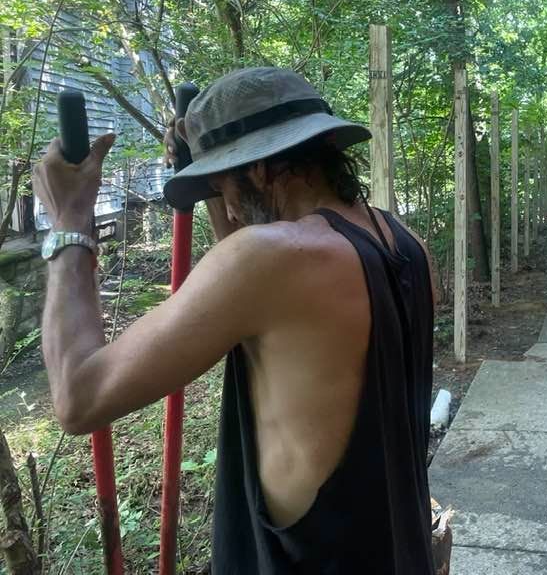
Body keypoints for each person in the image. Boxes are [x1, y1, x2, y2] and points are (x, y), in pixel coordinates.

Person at [33, 67, 437, 574]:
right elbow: (261, 294)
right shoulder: (403, 243)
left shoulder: (271, 261)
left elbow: (79, 397)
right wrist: (210, 178)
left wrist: (70, 222)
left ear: (263, 170)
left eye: (224, 183)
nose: (227, 206)